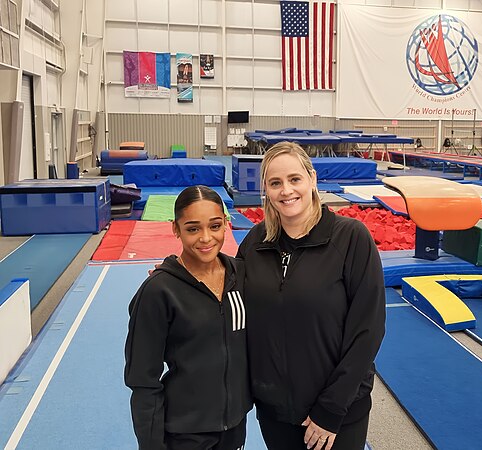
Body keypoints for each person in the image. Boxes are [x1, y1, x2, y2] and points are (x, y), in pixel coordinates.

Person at [237, 142, 386, 450]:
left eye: (294, 179)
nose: (286, 191)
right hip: (275, 411)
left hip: (337, 413)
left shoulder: (350, 238)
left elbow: (367, 330)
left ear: (312, 180)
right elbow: (228, 298)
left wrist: (331, 408)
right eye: (275, 183)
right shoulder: (254, 243)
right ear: (266, 189)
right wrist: (181, 274)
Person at [125, 185, 251, 450]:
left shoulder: (241, 275)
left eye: (215, 226)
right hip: (185, 433)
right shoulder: (159, 291)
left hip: (235, 426)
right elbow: (143, 380)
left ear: (226, 224)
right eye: (193, 229)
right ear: (176, 229)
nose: (206, 238)